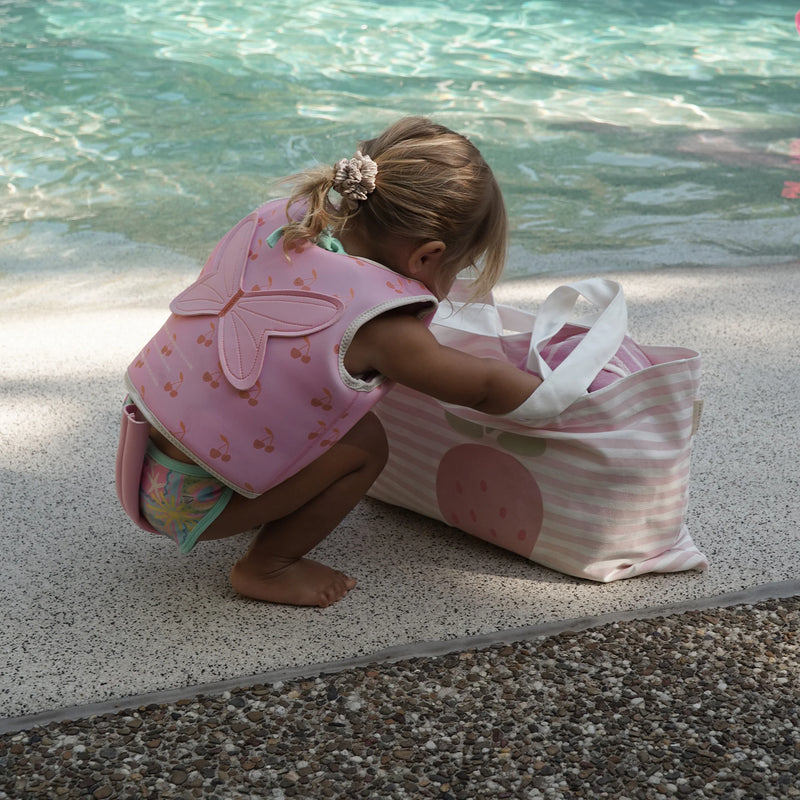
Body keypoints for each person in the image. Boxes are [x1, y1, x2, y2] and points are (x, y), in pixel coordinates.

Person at [116, 116, 542, 608]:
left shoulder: (289, 228)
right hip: (190, 504)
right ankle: (267, 566)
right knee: (365, 445)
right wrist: (558, 397)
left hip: (141, 454)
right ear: (428, 257)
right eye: (459, 267)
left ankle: (246, 491)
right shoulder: (384, 329)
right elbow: (482, 388)